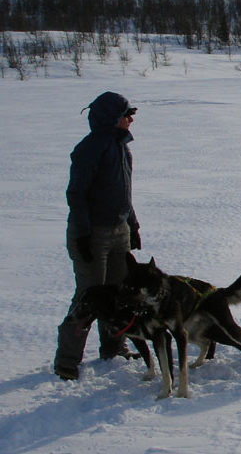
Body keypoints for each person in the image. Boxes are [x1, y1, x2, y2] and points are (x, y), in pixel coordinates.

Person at [54, 92, 142, 381]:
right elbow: (76, 194)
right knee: (89, 295)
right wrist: (81, 234)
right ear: (112, 119)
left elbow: (123, 194)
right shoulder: (90, 149)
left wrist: (133, 226)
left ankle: (114, 347)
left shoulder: (121, 148)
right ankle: (67, 360)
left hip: (119, 230)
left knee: (119, 291)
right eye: (126, 114)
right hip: (92, 234)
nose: (130, 119)